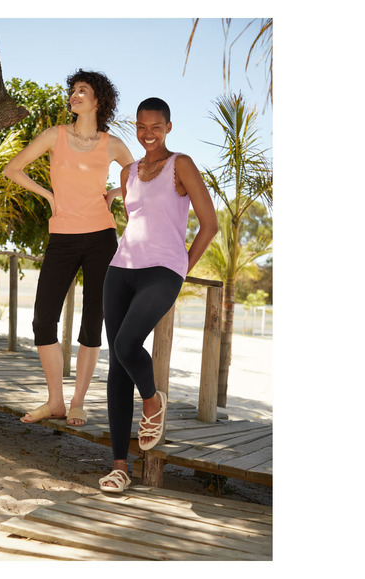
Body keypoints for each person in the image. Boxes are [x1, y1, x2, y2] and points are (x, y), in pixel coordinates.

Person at [98, 97, 218, 492]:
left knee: (126, 344)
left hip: (163, 270)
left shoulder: (181, 164)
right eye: (141, 126)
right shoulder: (128, 172)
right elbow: (135, 221)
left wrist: (183, 265)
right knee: (117, 364)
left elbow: (209, 223)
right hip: (121, 270)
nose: (148, 134)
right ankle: (119, 466)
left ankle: (151, 401)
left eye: (155, 127)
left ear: (168, 127)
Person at [3, 69, 134, 427]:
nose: (75, 95)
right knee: (43, 319)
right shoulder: (55, 135)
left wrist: (114, 192)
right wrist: (49, 196)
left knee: (93, 320)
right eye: (73, 90)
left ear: (98, 100)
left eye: (83, 90)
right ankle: (55, 401)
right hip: (62, 236)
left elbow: (141, 177)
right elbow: (13, 169)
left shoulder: (112, 144)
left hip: (101, 237)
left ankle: (77, 402)